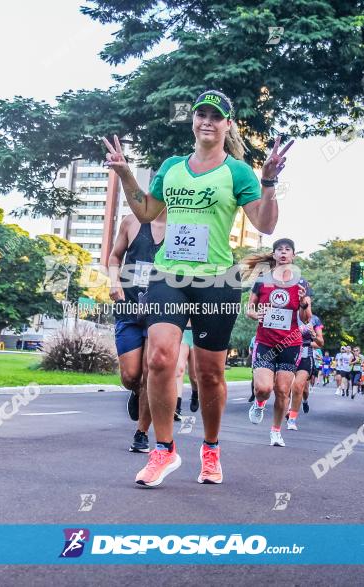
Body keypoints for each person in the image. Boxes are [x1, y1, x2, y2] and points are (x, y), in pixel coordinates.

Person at [103, 89, 293, 487]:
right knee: (159, 359)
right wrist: (123, 173)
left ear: (227, 124)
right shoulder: (172, 166)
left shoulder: (237, 171)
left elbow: (266, 225)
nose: (207, 121)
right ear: (193, 121)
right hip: (168, 275)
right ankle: (164, 450)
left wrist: (270, 182)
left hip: (218, 281)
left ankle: (210, 449)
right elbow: (146, 212)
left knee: (209, 375)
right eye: (200, 114)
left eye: (215, 116)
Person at [108, 211, 166, 453]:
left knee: (150, 374)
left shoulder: (185, 225)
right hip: (129, 307)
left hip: (163, 310)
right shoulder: (131, 221)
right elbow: (114, 258)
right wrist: (114, 282)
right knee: (131, 376)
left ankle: (141, 433)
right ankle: (135, 391)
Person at [245, 238, 312, 446]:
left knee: (283, 391)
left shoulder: (302, 284)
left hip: (290, 343)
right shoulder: (262, 280)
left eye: (287, 250)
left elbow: (307, 318)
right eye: (279, 250)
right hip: (265, 341)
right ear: (274, 255)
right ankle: (259, 402)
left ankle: (275, 431)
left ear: (293, 255)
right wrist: (257, 316)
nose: (283, 253)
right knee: (264, 388)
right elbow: (249, 309)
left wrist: (303, 303)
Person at [288, 313, 323, 430]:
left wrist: (309, 339)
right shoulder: (288, 313)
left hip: (305, 358)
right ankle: (289, 413)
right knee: (285, 388)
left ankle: (304, 402)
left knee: (300, 388)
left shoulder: (314, 319)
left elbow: (320, 343)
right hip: (288, 356)